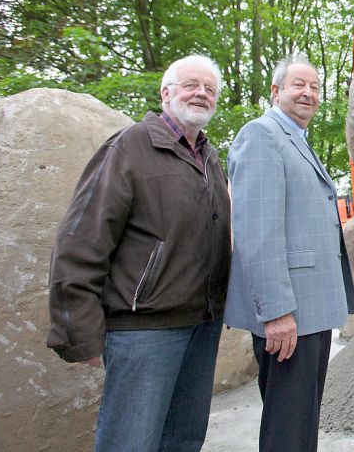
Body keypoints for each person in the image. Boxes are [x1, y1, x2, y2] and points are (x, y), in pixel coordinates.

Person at [47, 55, 232, 452]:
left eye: (209, 89)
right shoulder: (129, 147)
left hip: (202, 326)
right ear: (166, 93)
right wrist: (80, 331)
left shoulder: (209, 157)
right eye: (191, 85)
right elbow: (82, 239)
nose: (201, 93)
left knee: (183, 441)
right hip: (144, 331)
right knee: (130, 442)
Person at [225, 56, 354, 452]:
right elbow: (257, 231)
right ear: (276, 91)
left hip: (310, 309)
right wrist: (277, 312)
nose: (308, 93)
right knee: (288, 429)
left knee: (300, 423)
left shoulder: (295, 140)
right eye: (299, 84)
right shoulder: (261, 136)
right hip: (290, 313)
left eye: (315, 87)